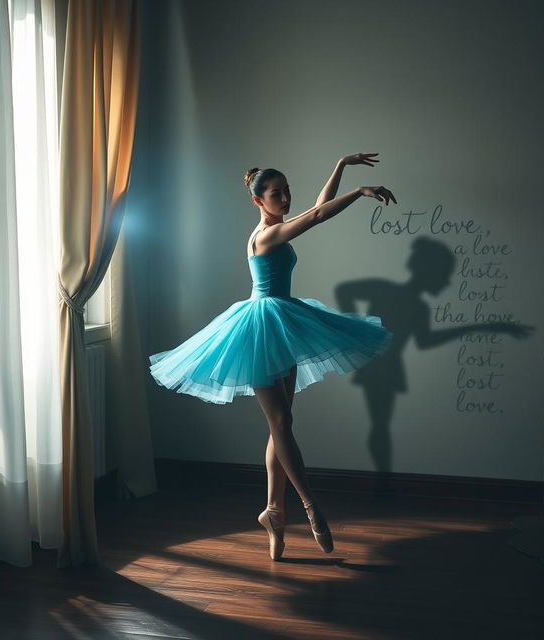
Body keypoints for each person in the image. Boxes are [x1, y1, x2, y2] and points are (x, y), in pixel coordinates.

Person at [149, 153, 396, 560]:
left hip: (282, 322)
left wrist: (340, 165)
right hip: (260, 327)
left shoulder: (277, 227)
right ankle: (310, 506)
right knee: (280, 420)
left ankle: (274, 512)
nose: (285, 198)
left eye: (286, 192)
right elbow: (317, 217)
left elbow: (316, 209)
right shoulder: (264, 237)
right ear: (258, 201)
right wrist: (358, 191)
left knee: (281, 424)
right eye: (276, 194)